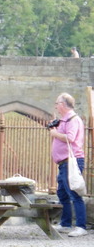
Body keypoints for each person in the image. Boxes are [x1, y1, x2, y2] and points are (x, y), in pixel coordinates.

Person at [49, 93, 87, 237]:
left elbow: (71, 138)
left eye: (57, 103)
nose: (56, 106)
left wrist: (55, 134)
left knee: (74, 193)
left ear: (63, 104)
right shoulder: (64, 120)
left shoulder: (73, 119)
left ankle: (81, 226)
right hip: (63, 162)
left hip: (72, 161)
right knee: (62, 193)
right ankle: (65, 223)